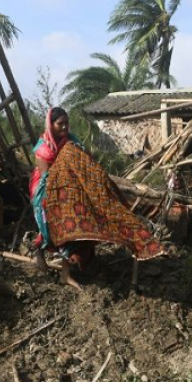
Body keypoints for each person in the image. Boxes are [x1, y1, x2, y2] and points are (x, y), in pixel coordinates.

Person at [29, 107, 165, 290]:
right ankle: (48, 257)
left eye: (66, 123)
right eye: (60, 124)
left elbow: (84, 164)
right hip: (46, 191)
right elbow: (49, 180)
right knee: (59, 227)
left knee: (80, 222)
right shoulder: (42, 149)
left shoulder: (71, 142)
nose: (64, 127)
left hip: (70, 189)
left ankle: (62, 270)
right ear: (50, 125)